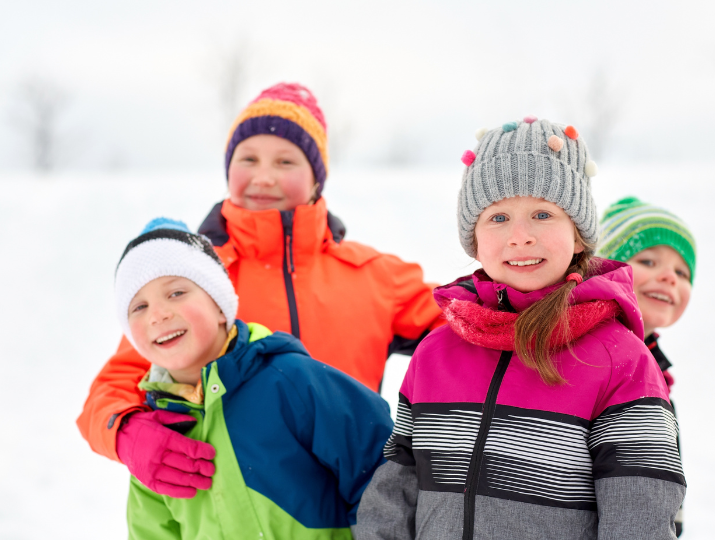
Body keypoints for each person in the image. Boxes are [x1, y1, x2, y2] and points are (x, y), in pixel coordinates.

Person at [77, 82, 443, 499]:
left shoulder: (375, 276)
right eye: (248, 158)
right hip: (234, 509)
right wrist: (127, 432)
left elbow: (469, 321)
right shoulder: (193, 282)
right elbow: (113, 387)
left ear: (317, 179)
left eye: (286, 161)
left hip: (350, 508)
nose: (264, 177)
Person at [355, 118, 685, 539]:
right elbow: (394, 493)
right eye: (498, 217)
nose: (520, 236)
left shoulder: (620, 360)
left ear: (580, 236)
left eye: (543, 214)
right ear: (473, 237)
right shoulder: (437, 351)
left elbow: (639, 516)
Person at [115, 217, 393, 539]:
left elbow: (381, 472)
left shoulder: (291, 381)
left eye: (176, 292)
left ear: (220, 307)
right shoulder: (154, 438)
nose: (157, 314)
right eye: (138, 307)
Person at [596, 196, 697, 537]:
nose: (669, 277)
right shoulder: (592, 354)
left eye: (682, 272)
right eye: (649, 260)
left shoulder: (655, 373)